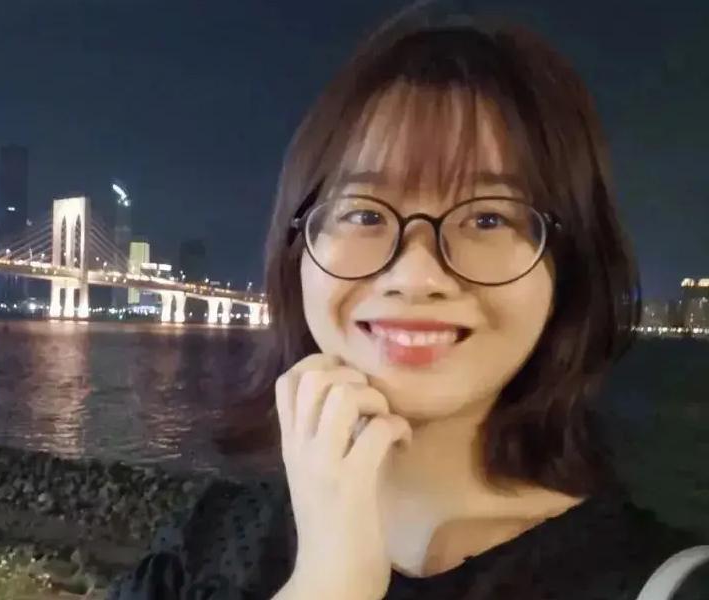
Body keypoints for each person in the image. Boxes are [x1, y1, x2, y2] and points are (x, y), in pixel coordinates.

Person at [107, 13, 708, 600]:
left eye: (488, 218)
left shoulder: (657, 583)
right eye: (365, 214)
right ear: (297, 254)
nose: (416, 275)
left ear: (569, 270)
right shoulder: (208, 539)